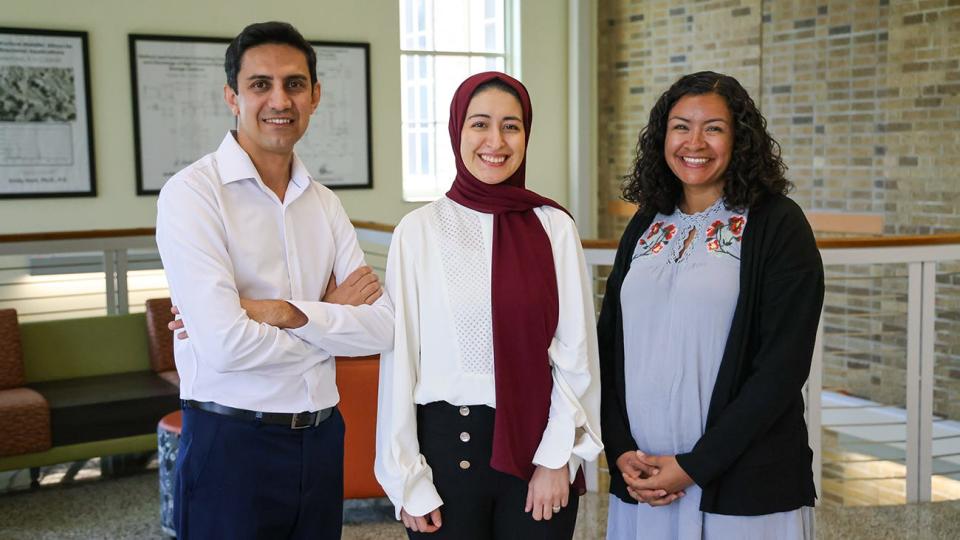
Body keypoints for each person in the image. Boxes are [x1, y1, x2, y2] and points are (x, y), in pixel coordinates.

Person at [156, 21, 393, 540]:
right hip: (232, 445)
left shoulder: (325, 203)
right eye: (260, 84)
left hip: (323, 439)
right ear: (232, 97)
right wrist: (329, 323)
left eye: (294, 83)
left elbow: (382, 329)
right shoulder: (192, 196)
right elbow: (224, 346)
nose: (278, 99)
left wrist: (282, 312)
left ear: (315, 95)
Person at [374, 71, 603, 539]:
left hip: (537, 452)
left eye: (511, 126)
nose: (495, 141)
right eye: (479, 124)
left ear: (526, 134)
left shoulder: (554, 227)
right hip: (443, 458)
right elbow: (400, 363)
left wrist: (557, 458)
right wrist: (406, 479)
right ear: (457, 130)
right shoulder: (418, 231)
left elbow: (576, 354)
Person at [598, 71, 824, 539]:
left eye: (713, 128)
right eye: (681, 126)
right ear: (663, 136)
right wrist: (619, 449)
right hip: (645, 477)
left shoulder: (778, 225)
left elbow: (782, 368)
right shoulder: (645, 222)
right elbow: (608, 346)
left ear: (740, 138)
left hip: (741, 483)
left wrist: (696, 466)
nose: (693, 142)